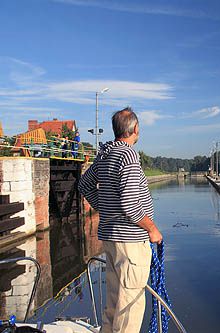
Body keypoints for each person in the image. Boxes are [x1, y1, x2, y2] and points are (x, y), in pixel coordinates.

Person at [78, 107, 162, 333]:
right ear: (135, 129)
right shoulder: (128, 155)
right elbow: (131, 206)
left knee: (114, 302)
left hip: (111, 239)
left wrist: (105, 209)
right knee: (130, 307)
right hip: (130, 243)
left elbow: (83, 185)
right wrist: (152, 229)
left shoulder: (105, 154)